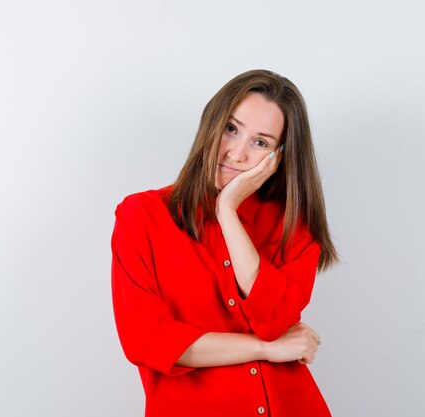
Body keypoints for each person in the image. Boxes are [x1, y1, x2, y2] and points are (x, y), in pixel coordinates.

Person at [110, 69, 339, 417]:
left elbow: (274, 321)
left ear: (278, 158)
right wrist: (267, 350)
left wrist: (227, 211)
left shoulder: (291, 225)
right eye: (231, 129)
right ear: (211, 123)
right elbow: (148, 341)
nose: (236, 153)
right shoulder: (141, 216)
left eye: (260, 142)